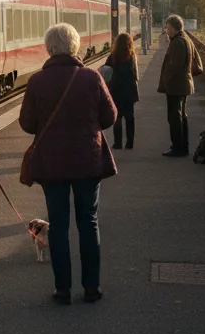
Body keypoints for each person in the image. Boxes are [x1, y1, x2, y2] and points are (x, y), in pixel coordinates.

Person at [20, 22, 117, 304]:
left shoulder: (37, 81)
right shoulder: (91, 78)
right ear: (75, 46)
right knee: (88, 222)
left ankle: (62, 289)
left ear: (49, 48)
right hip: (88, 160)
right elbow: (109, 116)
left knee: (59, 225)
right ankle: (91, 287)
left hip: (52, 164)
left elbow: (27, 123)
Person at [156, 14, 198, 156]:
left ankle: (177, 147)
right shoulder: (185, 39)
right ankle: (183, 146)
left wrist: (167, 82)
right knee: (181, 116)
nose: (166, 31)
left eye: (167, 28)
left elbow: (175, 66)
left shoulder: (178, 42)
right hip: (182, 84)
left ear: (173, 28)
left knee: (174, 117)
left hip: (176, 85)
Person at [104, 32, 140, 149]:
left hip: (116, 90)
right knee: (130, 117)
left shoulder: (112, 56)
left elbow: (106, 71)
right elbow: (135, 75)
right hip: (129, 91)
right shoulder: (132, 56)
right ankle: (130, 143)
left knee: (118, 117)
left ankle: (117, 143)